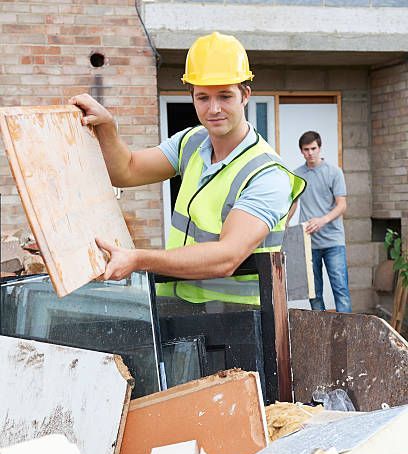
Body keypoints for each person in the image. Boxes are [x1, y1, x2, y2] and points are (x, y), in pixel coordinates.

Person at [70, 32, 305, 308]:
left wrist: (138, 259)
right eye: (203, 97)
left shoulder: (267, 175)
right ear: (191, 96)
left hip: (240, 325)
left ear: (245, 95)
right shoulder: (191, 142)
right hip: (181, 311)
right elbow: (127, 170)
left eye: (225, 96)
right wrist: (108, 127)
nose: (214, 108)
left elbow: (226, 257)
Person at [295, 131, 352, 313]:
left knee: (341, 290)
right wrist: (283, 229)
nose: (310, 153)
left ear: (319, 148)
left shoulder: (334, 172)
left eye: (313, 148)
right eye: (306, 149)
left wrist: (322, 220)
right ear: (301, 151)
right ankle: (320, 338)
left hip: (333, 241)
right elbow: (293, 205)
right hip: (308, 243)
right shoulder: (297, 175)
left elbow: (342, 205)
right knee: (314, 294)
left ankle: (346, 337)